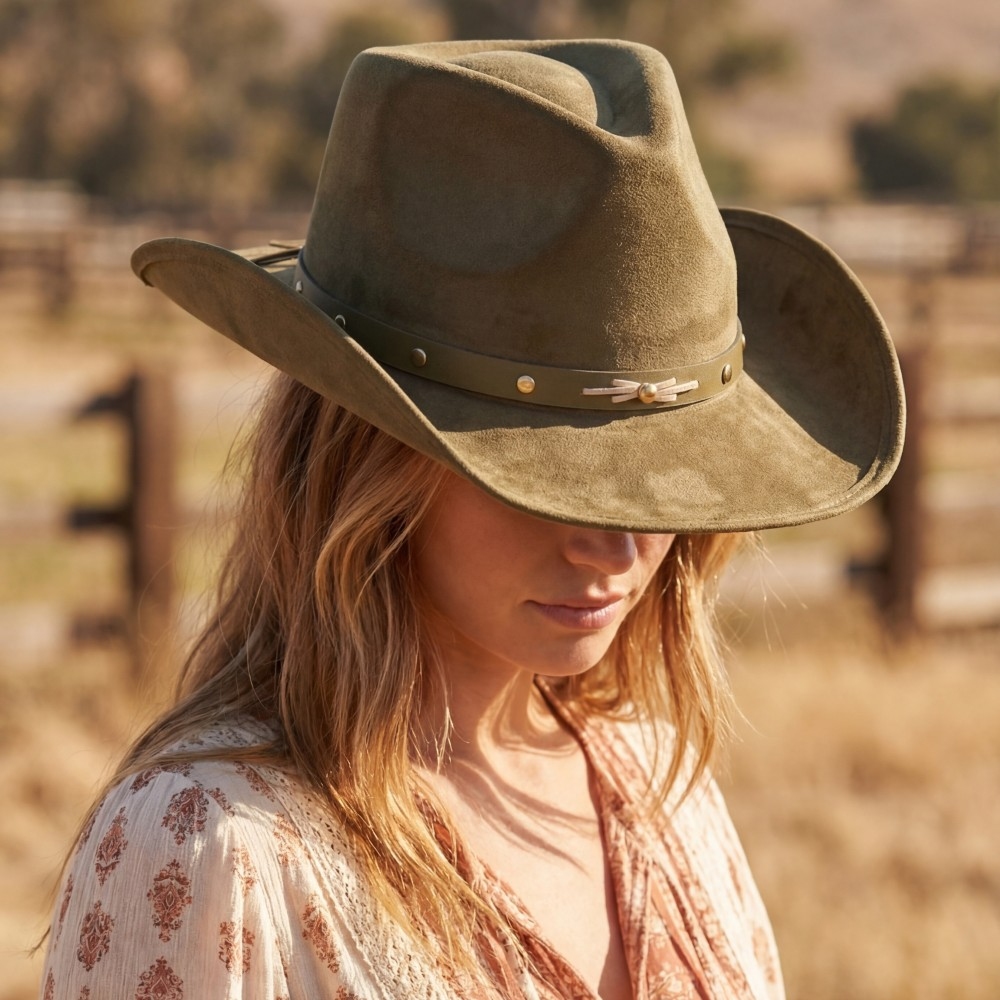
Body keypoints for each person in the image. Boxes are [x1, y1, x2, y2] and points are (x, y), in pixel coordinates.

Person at [39, 39, 903, 1000]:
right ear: (367, 466)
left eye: (658, 484)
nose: (615, 548)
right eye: (548, 476)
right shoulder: (213, 849)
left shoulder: (660, 788)